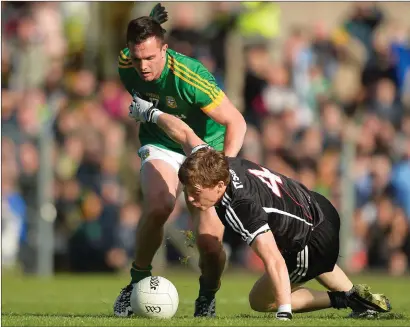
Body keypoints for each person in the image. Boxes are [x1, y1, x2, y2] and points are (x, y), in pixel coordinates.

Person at [128, 95, 392, 320]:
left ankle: (343, 300)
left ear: (219, 186)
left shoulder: (239, 206)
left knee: (260, 301)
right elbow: (184, 133)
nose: (192, 200)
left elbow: (273, 259)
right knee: (309, 261)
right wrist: (150, 112)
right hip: (318, 207)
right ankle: (359, 298)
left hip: (312, 237)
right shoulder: (216, 161)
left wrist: (284, 312)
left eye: (196, 193)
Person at [114, 4, 247, 317]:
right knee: (160, 204)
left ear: (165, 49)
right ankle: (136, 282)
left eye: (150, 58)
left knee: (210, 244)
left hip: (205, 150)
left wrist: (222, 170)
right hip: (161, 143)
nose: (143, 66)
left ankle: (207, 296)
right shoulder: (126, 60)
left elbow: (237, 122)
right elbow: (138, 41)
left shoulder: (191, 77)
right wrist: (150, 21)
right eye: (137, 58)